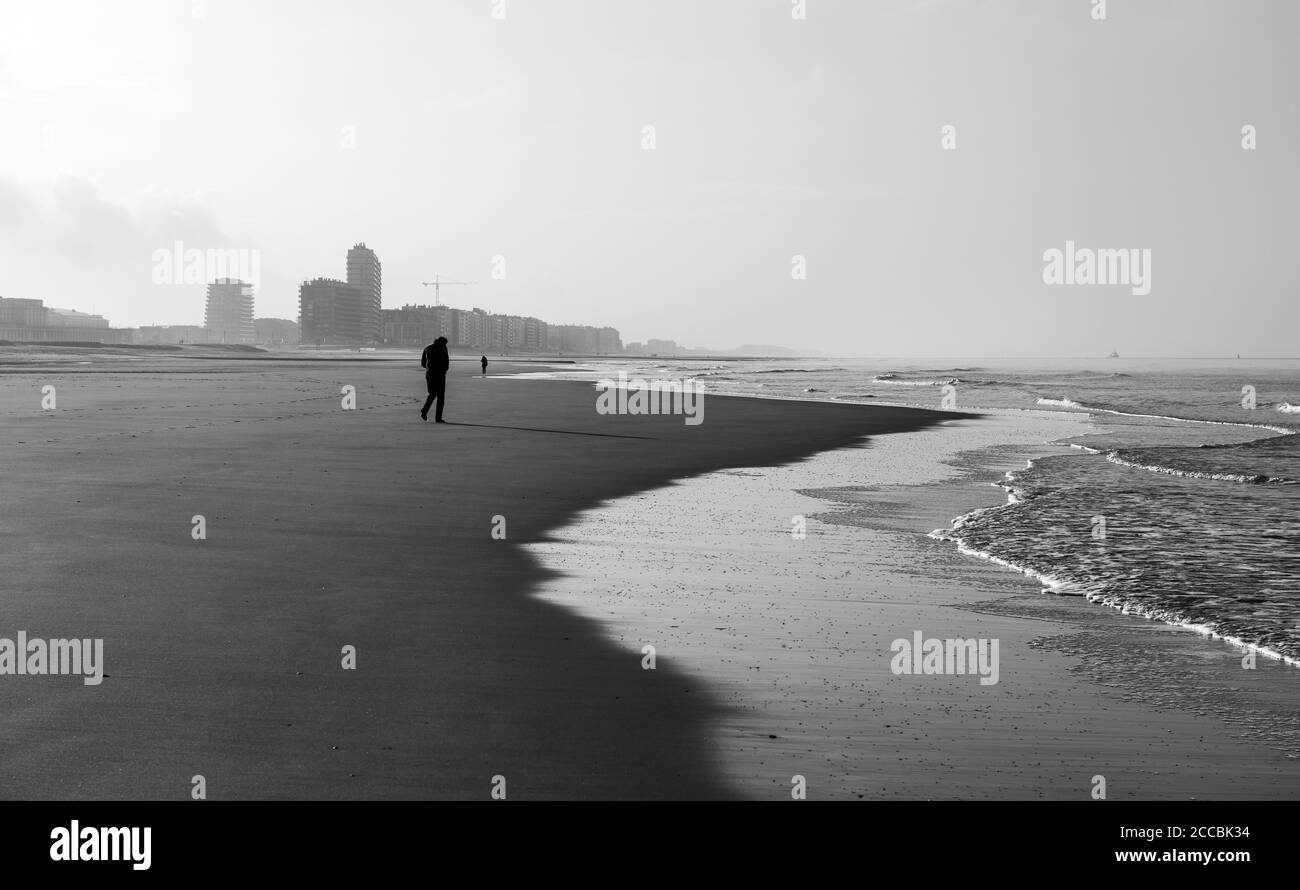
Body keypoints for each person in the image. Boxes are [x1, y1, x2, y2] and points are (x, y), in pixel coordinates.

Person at [420, 336, 450, 422]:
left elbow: (422, 363)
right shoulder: (443, 348)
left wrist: (429, 368)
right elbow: (446, 361)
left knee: (432, 394)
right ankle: (438, 418)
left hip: (430, 375)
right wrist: (444, 371)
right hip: (440, 375)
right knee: (440, 398)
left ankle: (425, 410)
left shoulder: (427, 348)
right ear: (443, 342)